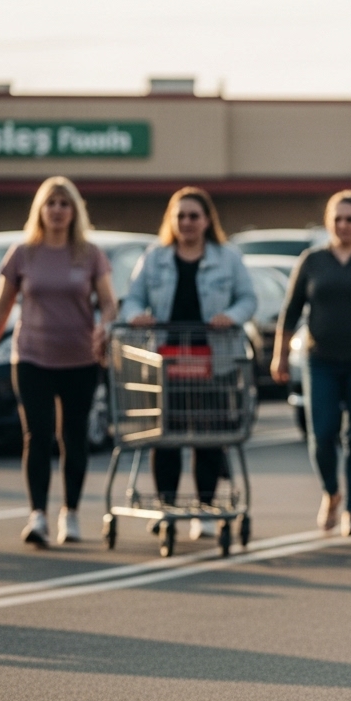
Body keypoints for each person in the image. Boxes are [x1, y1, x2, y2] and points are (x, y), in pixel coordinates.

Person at [0, 177, 116, 547]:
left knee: (74, 436)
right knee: (36, 435)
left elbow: (108, 302)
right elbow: (1, 307)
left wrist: (105, 328)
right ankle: (37, 516)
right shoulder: (23, 252)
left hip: (81, 358)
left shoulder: (89, 253)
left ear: (74, 211)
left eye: (64, 204)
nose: (57, 210)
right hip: (32, 357)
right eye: (50, 203)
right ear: (40, 209)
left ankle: (71, 513)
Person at [119, 187, 256, 538]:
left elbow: (248, 298)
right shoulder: (155, 258)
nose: (187, 222)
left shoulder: (227, 258)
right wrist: (136, 316)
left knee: (207, 436)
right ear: (171, 220)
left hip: (214, 361)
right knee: (165, 436)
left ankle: (206, 511)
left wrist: (231, 315)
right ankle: (166, 506)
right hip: (166, 363)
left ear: (207, 220)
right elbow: (132, 299)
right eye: (180, 216)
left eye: (194, 216)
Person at [271, 190, 351, 536]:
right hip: (320, 360)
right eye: (338, 219)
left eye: (350, 219)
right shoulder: (312, 261)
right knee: (322, 434)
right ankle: (331, 492)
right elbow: (291, 311)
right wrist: (279, 355)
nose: (344, 225)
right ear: (329, 222)